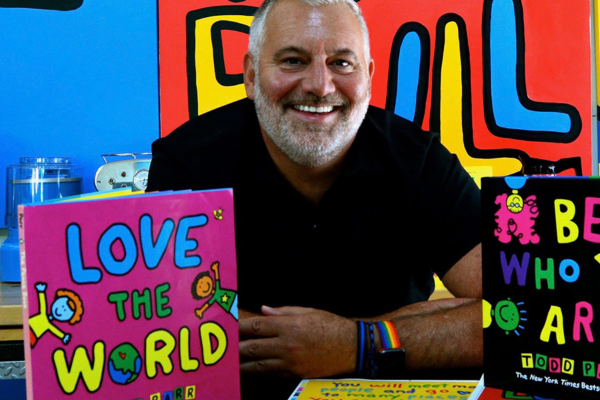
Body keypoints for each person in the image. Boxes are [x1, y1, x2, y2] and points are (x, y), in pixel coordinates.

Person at [147, 0, 483, 398]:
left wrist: (357, 342)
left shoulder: (420, 160)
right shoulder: (188, 163)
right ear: (252, 75)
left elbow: (527, 315)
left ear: (369, 78)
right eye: (292, 60)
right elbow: (161, 326)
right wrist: (409, 331)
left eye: (342, 63)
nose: (320, 86)